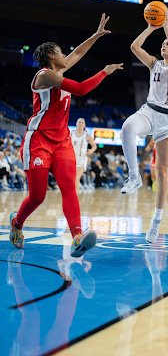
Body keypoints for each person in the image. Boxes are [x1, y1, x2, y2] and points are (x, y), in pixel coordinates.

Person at [9, 13, 123, 257]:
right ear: (51, 57)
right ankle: (17, 223)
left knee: (69, 187)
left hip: (62, 142)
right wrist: (104, 72)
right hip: (38, 140)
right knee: (38, 196)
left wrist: (96, 34)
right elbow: (81, 89)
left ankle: (77, 237)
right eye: (61, 53)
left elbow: (78, 54)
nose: (66, 56)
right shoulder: (44, 75)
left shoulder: (57, 72)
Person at [120, 11, 168, 243]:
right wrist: (152, 26)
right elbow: (134, 47)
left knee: (161, 171)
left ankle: (156, 220)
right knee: (127, 128)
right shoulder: (154, 63)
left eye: (167, 44)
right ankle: (133, 176)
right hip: (150, 110)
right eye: (161, 44)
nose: (163, 46)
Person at [71, 118, 97, 193]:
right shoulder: (71, 134)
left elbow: (94, 146)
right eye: (79, 122)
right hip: (72, 158)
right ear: (76, 124)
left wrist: (91, 151)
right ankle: (70, 194)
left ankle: (74, 196)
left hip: (82, 159)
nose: (80, 123)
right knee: (71, 178)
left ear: (84, 125)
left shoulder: (87, 136)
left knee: (76, 178)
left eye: (82, 122)